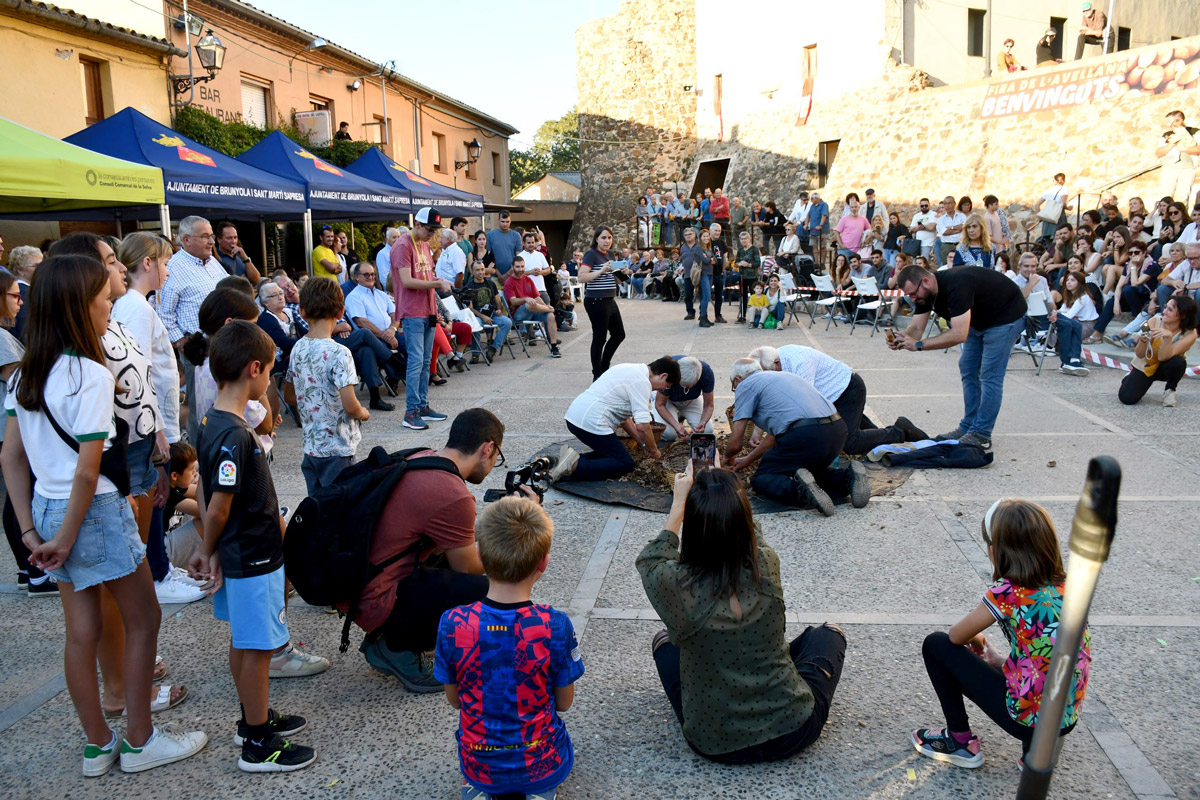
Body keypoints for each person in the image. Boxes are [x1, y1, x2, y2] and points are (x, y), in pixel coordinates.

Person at [2, 254, 207, 775]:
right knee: (144, 617)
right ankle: (141, 740)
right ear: (79, 307)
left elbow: (11, 458)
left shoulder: (23, 376)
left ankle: (97, 745)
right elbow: (88, 472)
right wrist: (67, 537)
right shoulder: (90, 374)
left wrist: (31, 532)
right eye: (102, 300)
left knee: (81, 632)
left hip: (47, 511)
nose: (109, 309)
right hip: (91, 511)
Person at [638, 465, 846, 764]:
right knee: (829, 633)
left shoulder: (675, 584)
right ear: (743, 516)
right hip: (793, 729)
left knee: (664, 643)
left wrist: (679, 503)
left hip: (716, 742)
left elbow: (651, 559)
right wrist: (728, 494)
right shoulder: (765, 563)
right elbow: (752, 533)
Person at [188, 321, 315, 772]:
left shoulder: (212, 420)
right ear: (254, 369)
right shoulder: (236, 435)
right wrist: (207, 548)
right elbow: (217, 507)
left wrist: (212, 547)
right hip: (254, 557)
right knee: (260, 647)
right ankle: (259, 743)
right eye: (271, 372)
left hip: (239, 552)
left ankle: (252, 719)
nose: (270, 382)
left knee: (244, 641)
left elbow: (206, 489)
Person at [912, 499, 1090, 769]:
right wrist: (999, 661)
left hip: (1027, 721)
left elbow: (956, 636)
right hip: (1065, 719)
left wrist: (976, 638)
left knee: (936, 645)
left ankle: (960, 742)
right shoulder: (1069, 586)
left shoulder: (1008, 591)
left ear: (996, 550)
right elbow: (1045, 652)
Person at [435, 496, 583, 800]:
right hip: (541, 764)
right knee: (560, 746)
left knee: (478, 766)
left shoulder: (452, 623)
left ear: (480, 554)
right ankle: (539, 791)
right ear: (544, 562)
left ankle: (479, 787)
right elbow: (564, 703)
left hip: (479, 764)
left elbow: (455, 701)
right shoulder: (555, 625)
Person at [353, 409, 504, 690]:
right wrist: (510, 535)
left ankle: (386, 634)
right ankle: (397, 647)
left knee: (444, 557)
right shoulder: (453, 493)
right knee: (488, 591)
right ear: (488, 448)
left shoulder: (422, 458)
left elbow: (451, 539)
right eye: (498, 457)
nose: (494, 463)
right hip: (376, 598)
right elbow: (468, 567)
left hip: (357, 585)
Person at [114, 233, 192, 599]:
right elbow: (138, 374)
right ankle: (158, 574)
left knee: (157, 495)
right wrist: (159, 431)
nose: (168, 271)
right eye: (164, 263)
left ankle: (160, 567)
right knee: (154, 497)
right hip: (148, 423)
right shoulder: (134, 308)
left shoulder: (139, 305)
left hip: (154, 420)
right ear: (147, 263)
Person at [890, 266, 1027, 450]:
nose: (913, 299)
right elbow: (916, 329)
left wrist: (920, 345)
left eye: (914, 294)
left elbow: (959, 334)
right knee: (968, 368)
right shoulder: (924, 293)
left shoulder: (957, 284)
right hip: (977, 320)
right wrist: (902, 339)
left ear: (926, 281)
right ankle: (968, 426)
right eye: (909, 296)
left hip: (1005, 317)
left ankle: (981, 433)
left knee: (989, 375)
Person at [726, 359, 869, 516]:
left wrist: (726, 460)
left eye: (734, 385)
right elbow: (773, 437)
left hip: (805, 434)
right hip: (837, 430)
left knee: (762, 478)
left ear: (738, 379)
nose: (736, 389)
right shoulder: (785, 376)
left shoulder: (746, 385)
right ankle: (847, 478)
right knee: (810, 473)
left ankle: (802, 491)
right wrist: (748, 460)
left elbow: (735, 443)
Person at [750, 345, 925, 455]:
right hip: (831, 395)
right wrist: (757, 432)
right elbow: (773, 399)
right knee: (866, 435)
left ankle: (900, 431)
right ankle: (886, 438)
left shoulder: (800, 363)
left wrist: (773, 438)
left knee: (850, 443)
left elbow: (802, 406)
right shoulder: (776, 358)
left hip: (848, 390)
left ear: (776, 363)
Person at [285, 278, 370, 495]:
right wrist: (363, 412)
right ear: (341, 311)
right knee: (341, 505)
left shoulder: (297, 348)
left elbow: (290, 395)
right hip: (338, 448)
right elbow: (350, 406)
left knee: (318, 505)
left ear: (302, 312)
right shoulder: (340, 353)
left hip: (311, 447)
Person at [160, 215, 228, 444]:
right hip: (198, 346)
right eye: (205, 236)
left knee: (223, 399)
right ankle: (201, 454)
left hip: (223, 341)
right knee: (200, 406)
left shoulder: (213, 262)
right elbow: (164, 313)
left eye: (211, 236)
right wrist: (182, 343)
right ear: (186, 240)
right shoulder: (174, 268)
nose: (211, 241)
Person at [557, 357, 680, 482]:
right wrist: (655, 451)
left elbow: (625, 419)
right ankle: (575, 466)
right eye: (667, 385)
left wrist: (642, 443)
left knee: (612, 455)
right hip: (591, 422)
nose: (663, 389)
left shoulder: (630, 369)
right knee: (625, 464)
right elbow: (643, 427)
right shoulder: (642, 382)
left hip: (575, 417)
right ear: (663, 376)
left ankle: (567, 460)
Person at [393, 207, 453, 431]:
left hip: (428, 309)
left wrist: (438, 281)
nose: (432, 234)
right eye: (430, 229)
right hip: (412, 311)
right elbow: (407, 281)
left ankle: (422, 406)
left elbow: (426, 275)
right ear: (417, 225)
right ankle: (410, 412)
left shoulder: (424, 245)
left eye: (435, 230)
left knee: (427, 360)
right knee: (416, 361)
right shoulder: (402, 245)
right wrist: (437, 283)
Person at [1118, 295, 1197, 407]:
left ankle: (1170, 390)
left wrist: (1168, 338)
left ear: (1183, 315)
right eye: (1165, 307)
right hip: (1146, 364)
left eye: (1170, 310)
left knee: (1178, 362)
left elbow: (1163, 357)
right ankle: (1129, 378)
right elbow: (1139, 354)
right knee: (1127, 398)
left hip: (1166, 365)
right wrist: (1143, 341)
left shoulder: (1190, 333)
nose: (1164, 312)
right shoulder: (1154, 321)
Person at [577, 225, 625, 378]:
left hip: (609, 299)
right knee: (600, 338)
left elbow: (618, 280)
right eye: (603, 237)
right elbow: (581, 277)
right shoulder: (591, 254)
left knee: (619, 335)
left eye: (609, 237)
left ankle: (604, 367)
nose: (607, 241)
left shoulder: (610, 254)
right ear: (596, 239)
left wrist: (622, 273)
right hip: (596, 300)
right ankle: (597, 374)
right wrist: (601, 270)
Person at [504, 256, 562, 359]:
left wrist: (545, 307)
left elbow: (537, 297)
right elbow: (513, 301)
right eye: (517, 267)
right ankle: (554, 309)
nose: (520, 269)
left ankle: (554, 347)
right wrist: (526, 299)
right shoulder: (509, 282)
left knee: (550, 316)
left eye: (522, 267)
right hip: (518, 315)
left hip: (533, 311)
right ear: (512, 267)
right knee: (529, 304)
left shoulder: (528, 279)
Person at [652, 355, 714, 442]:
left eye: (691, 386)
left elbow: (709, 405)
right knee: (669, 434)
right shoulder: (669, 370)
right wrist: (677, 426)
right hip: (667, 401)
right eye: (683, 385)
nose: (687, 388)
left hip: (691, 400)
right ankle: (653, 415)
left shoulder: (706, 372)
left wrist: (703, 423)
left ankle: (680, 416)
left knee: (707, 431)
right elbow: (660, 405)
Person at [461, 261, 512, 361]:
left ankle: (493, 349)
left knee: (507, 322)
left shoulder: (491, 283)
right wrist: (483, 317)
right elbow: (470, 308)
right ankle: (475, 354)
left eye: (482, 269)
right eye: (477, 270)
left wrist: (499, 309)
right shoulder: (469, 287)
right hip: (477, 316)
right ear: (472, 272)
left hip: (492, 315)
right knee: (475, 325)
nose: (481, 272)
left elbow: (497, 300)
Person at [1053, 271, 1098, 376]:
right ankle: (1070, 361)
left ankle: (1072, 360)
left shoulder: (1083, 297)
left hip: (1088, 324)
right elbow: (1062, 311)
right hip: (1076, 321)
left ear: (1080, 283)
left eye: (1072, 280)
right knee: (1069, 325)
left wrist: (1058, 313)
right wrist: (1059, 313)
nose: (1068, 282)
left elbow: (1068, 315)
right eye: (1067, 280)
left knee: (1072, 328)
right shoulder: (1069, 296)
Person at [1157, 111, 1199, 207]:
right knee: (1165, 197)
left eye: (1174, 121)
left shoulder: (1194, 132)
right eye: (1168, 122)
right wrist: (1171, 143)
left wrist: (1185, 149)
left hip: (1187, 168)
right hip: (1169, 168)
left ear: (1180, 120)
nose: (1170, 124)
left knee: (1183, 198)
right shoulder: (1167, 135)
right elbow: (1158, 153)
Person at [6, 244, 39, 339]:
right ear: (20, 269)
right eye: (36, 265)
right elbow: (25, 329)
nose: (41, 268)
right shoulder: (23, 293)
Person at [1032, 173, 1072, 248]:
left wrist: (1040, 217)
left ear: (1055, 181)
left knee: (1047, 240)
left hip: (1047, 216)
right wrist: (1068, 208)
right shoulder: (1064, 190)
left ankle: (1049, 252)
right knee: (1060, 237)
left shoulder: (1049, 190)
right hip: (1058, 216)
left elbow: (1037, 205)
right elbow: (1063, 203)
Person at [734, 230, 762, 323]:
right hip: (742, 276)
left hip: (752, 276)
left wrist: (748, 265)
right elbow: (736, 262)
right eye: (742, 239)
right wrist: (739, 263)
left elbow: (758, 263)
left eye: (745, 239)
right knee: (743, 296)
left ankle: (756, 316)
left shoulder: (754, 249)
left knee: (754, 296)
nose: (743, 240)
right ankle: (742, 316)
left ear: (749, 239)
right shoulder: (740, 250)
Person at [486, 212, 523, 278]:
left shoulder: (516, 235)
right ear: (498, 220)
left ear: (510, 221)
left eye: (507, 222)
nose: (505, 224)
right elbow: (488, 257)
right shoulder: (489, 235)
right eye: (502, 221)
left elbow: (518, 257)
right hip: (494, 275)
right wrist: (499, 274)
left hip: (512, 275)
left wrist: (508, 273)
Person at [935, 196, 966, 267]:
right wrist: (958, 229)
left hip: (960, 244)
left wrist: (952, 227)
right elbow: (944, 232)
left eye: (949, 203)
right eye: (945, 204)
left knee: (962, 265)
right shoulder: (941, 219)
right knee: (946, 266)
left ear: (954, 204)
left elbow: (965, 227)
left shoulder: (961, 216)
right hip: (947, 245)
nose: (947, 206)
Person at [806, 192, 830, 258]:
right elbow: (808, 215)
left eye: (812, 199)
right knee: (814, 247)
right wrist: (806, 224)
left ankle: (822, 262)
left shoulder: (824, 205)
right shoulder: (812, 206)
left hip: (822, 231)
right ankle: (816, 262)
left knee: (822, 247)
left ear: (816, 198)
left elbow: (824, 215)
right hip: (813, 230)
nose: (811, 200)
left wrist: (821, 225)